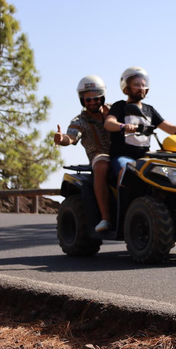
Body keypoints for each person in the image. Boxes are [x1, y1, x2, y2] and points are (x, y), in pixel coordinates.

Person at [104, 67, 176, 183]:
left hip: (145, 157)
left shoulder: (149, 110)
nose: (141, 88)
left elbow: (168, 127)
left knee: (168, 173)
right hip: (123, 156)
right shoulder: (119, 106)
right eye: (137, 85)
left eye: (143, 85)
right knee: (126, 170)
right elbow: (109, 123)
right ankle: (123, 200)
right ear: (127, 87)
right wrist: (123, 126)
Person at [54, 75, 112, 232]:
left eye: (96, 98)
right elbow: (72, 137)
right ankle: (105, 218)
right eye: (88, 100)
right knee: (102, 166)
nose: (93, 102)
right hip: (99, 156)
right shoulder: (80, 121)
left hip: (122, 153)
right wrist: (62, 139)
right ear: (82, 100)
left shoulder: (114, 111)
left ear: (102, 97)